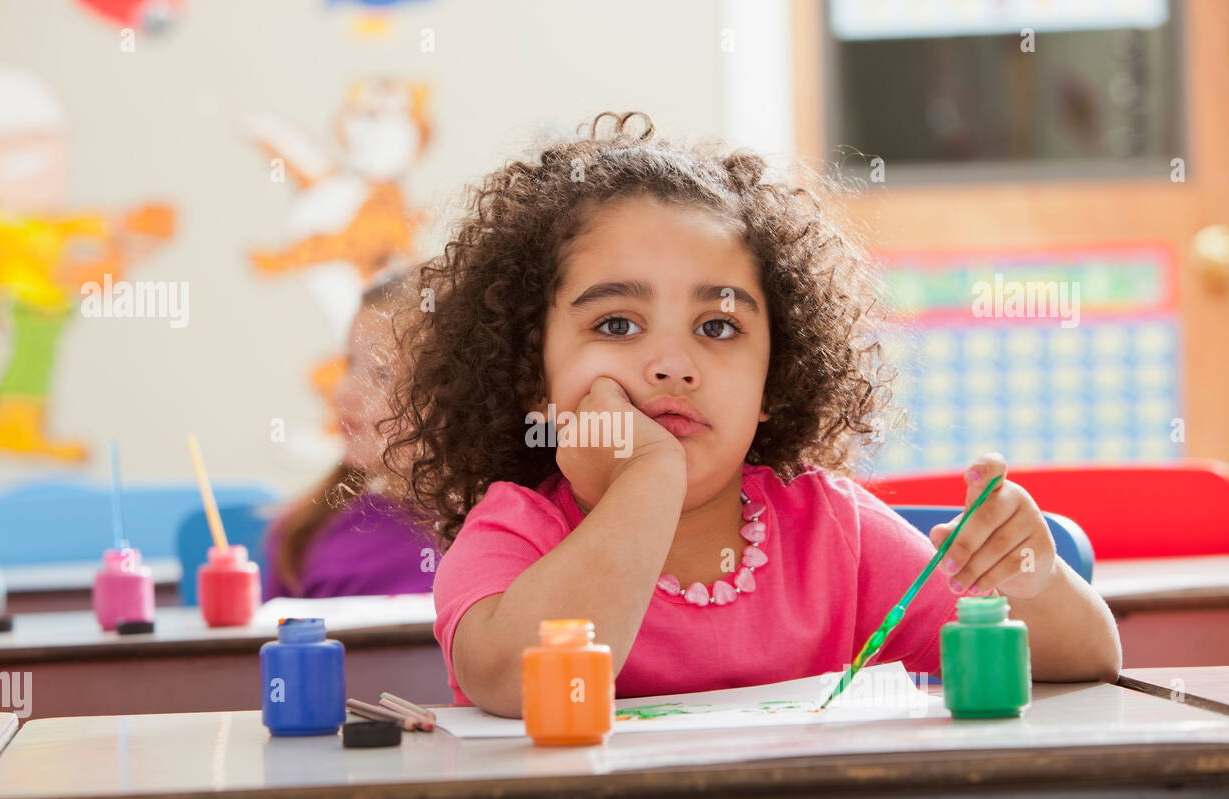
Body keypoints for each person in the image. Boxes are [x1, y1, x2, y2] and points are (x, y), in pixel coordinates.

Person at [380, 111, 1121, 717]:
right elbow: (514, 680)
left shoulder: (833, 533)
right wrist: (646, 476)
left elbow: (1082, 660)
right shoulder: (514, 534)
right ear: (531, 377)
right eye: (616, 325)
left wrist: (1033, 580)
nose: (673, 364)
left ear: (776, 379)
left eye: (718, 327)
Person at [264, 274, 434, 599]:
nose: (343, 394)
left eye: (382, 374)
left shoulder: (505, 533)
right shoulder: (305, 533)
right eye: (351, 364)